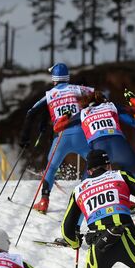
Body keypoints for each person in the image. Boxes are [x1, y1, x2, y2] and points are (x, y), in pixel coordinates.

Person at [19, 63, 94, 213]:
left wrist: (25, 139)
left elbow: (30, 113)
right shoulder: (79, 89)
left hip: (61, 137)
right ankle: (85, 194)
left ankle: (44, 200)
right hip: (82, 134)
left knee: (51, 168)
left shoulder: (50, 94)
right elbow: (99, 96)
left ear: (54, 79)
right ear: (68, 77)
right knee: (93, 163)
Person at [55, 90, 135, 188]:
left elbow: (57, 127)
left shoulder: (83, 113)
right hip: (120, 147)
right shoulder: (111, 106)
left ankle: (87, 201)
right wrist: (131, 98)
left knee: (86, 183)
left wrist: (66, 115)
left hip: (99, 151)